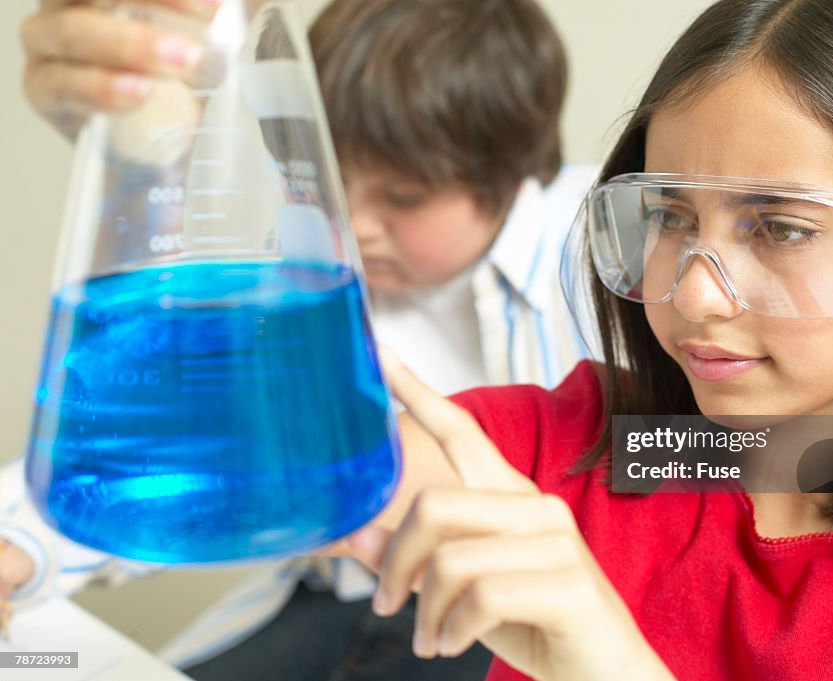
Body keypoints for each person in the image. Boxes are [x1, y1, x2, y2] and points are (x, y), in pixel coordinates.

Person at [320, 0, 833, 678]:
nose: (693, 294)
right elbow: (287, 465)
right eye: (670, 216)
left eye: (781, 228)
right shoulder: (584, 440)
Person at [4, 0, 593, 678]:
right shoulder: (302, 258)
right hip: (335, 593)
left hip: (507, 610)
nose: (359, 224)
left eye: (403, 197)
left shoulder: (601, 258)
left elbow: (718, 454)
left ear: (510, 173)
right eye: (332, 181)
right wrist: (18, 540)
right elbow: (189, 442)